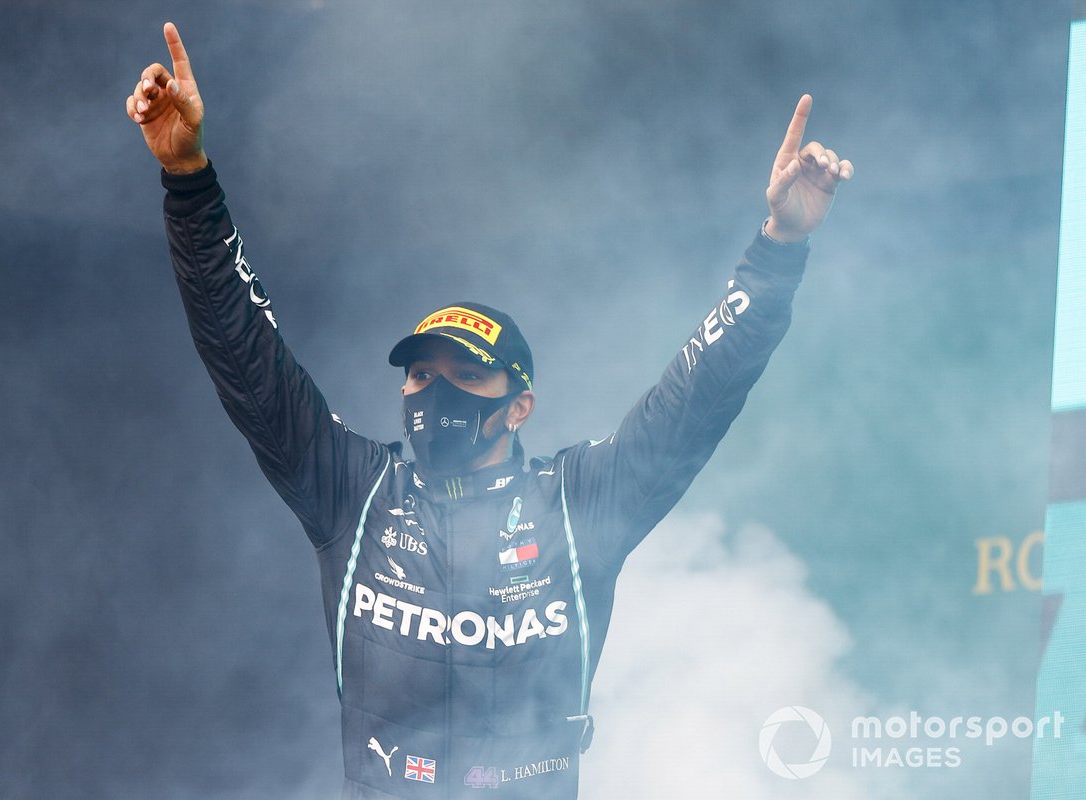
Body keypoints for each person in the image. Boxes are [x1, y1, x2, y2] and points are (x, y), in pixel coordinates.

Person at [126, 21, 853, 800]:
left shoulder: (579, 502)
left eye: (465, 377)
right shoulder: (353, 492)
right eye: (420, 375)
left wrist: (778, 248)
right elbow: (242, 348)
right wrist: (188, 180)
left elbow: (699, 394)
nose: (434, 391)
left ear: (518, 407)